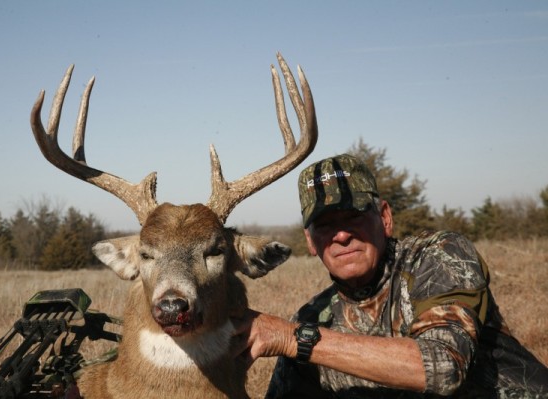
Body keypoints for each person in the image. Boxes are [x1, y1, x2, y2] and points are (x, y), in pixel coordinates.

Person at [233, 153, 548, 398]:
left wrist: (293, 338)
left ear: (384, 218)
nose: (341, 235)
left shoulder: (440, 256)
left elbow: (442, 368)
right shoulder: (313, 317)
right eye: (326, 224)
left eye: (353, 216)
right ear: (310, 241)